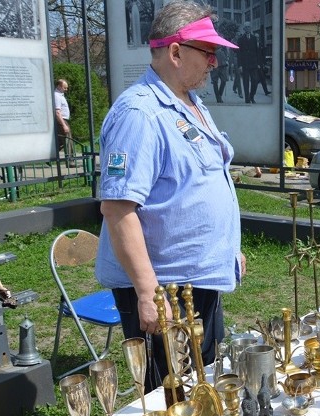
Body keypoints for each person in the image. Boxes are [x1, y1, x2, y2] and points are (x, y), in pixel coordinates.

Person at [95, 1, 245, 392]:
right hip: (165, 290)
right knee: (171, 399)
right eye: (208, 52)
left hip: (198, 281)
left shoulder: (188, 103)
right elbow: (118, 209)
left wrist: (228, 248)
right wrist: (147, 292)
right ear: (176, 52)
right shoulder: (138, 114)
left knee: (202, 384)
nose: (214, 62)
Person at [54, 79, 75, 166]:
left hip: (63, 120)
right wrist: (63, 125)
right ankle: (70, 161)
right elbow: (57, 112)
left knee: (60, 141)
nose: (66, 89)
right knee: (68, 140)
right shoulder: (57, 96)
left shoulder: (60, 95)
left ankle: (49, 155)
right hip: (62, 120)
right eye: (64, 87)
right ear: (59, 86)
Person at [236, 23, 259, 103]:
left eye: (249, 27)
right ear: (244, 29)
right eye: (246, 27)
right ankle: (247, 99)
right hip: (244, 64)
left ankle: (252, 96)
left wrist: (258, 63)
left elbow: (257, 51)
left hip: (253, 64)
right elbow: (239, 53)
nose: (247, 28)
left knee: (255, 81)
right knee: (246, 83)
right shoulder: (240, 39)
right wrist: (240, 65)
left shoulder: (254, 38)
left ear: (251, 28)